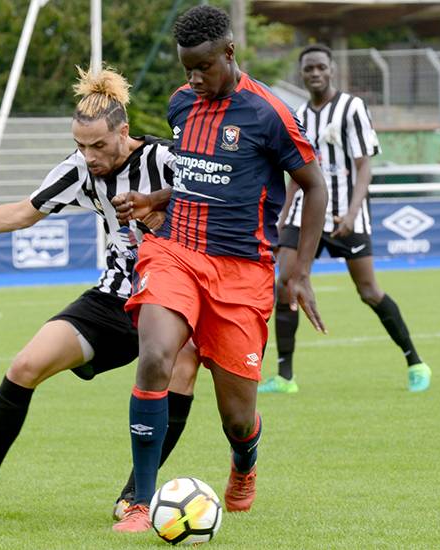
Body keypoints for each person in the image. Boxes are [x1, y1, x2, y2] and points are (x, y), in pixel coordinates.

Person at [0, 67, 200, 524]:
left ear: (124, 131)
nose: (88, 156)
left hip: (172, 298)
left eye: (97, 145)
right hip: (114, 299)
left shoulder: (165, 160)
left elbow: (213, 199)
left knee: (184, 365)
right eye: (80, 145)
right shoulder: (78, 171)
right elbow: (20, 212)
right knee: (24, 366)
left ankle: (137, 493)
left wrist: (163, 212)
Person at [111, 5, 329, 533]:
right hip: (176, 252)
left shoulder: (269, 113)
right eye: (186, 67)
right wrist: (155, 198)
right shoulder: (181, 103)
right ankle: (140, 503)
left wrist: (298, 270)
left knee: (236, 417)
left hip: (243, 273)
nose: (193, 78)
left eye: (203, 66)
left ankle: (244, 462)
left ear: (229, 53)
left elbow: (315, 183)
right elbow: (197, 175)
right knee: (157, 355)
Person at [258, 44, 432, 395]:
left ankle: (415, 362)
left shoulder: (352, 108)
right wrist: (281, 212)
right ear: (302, 74)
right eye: (309, 69)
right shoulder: (300, 115)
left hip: (344, 213)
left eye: (321, 67)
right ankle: (285, 376)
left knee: (368, 291)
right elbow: (296, 173)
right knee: (285, 283)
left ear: (332, 70)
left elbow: (364, 165)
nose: (315, 73)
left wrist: (353, 212)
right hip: (303, 213)